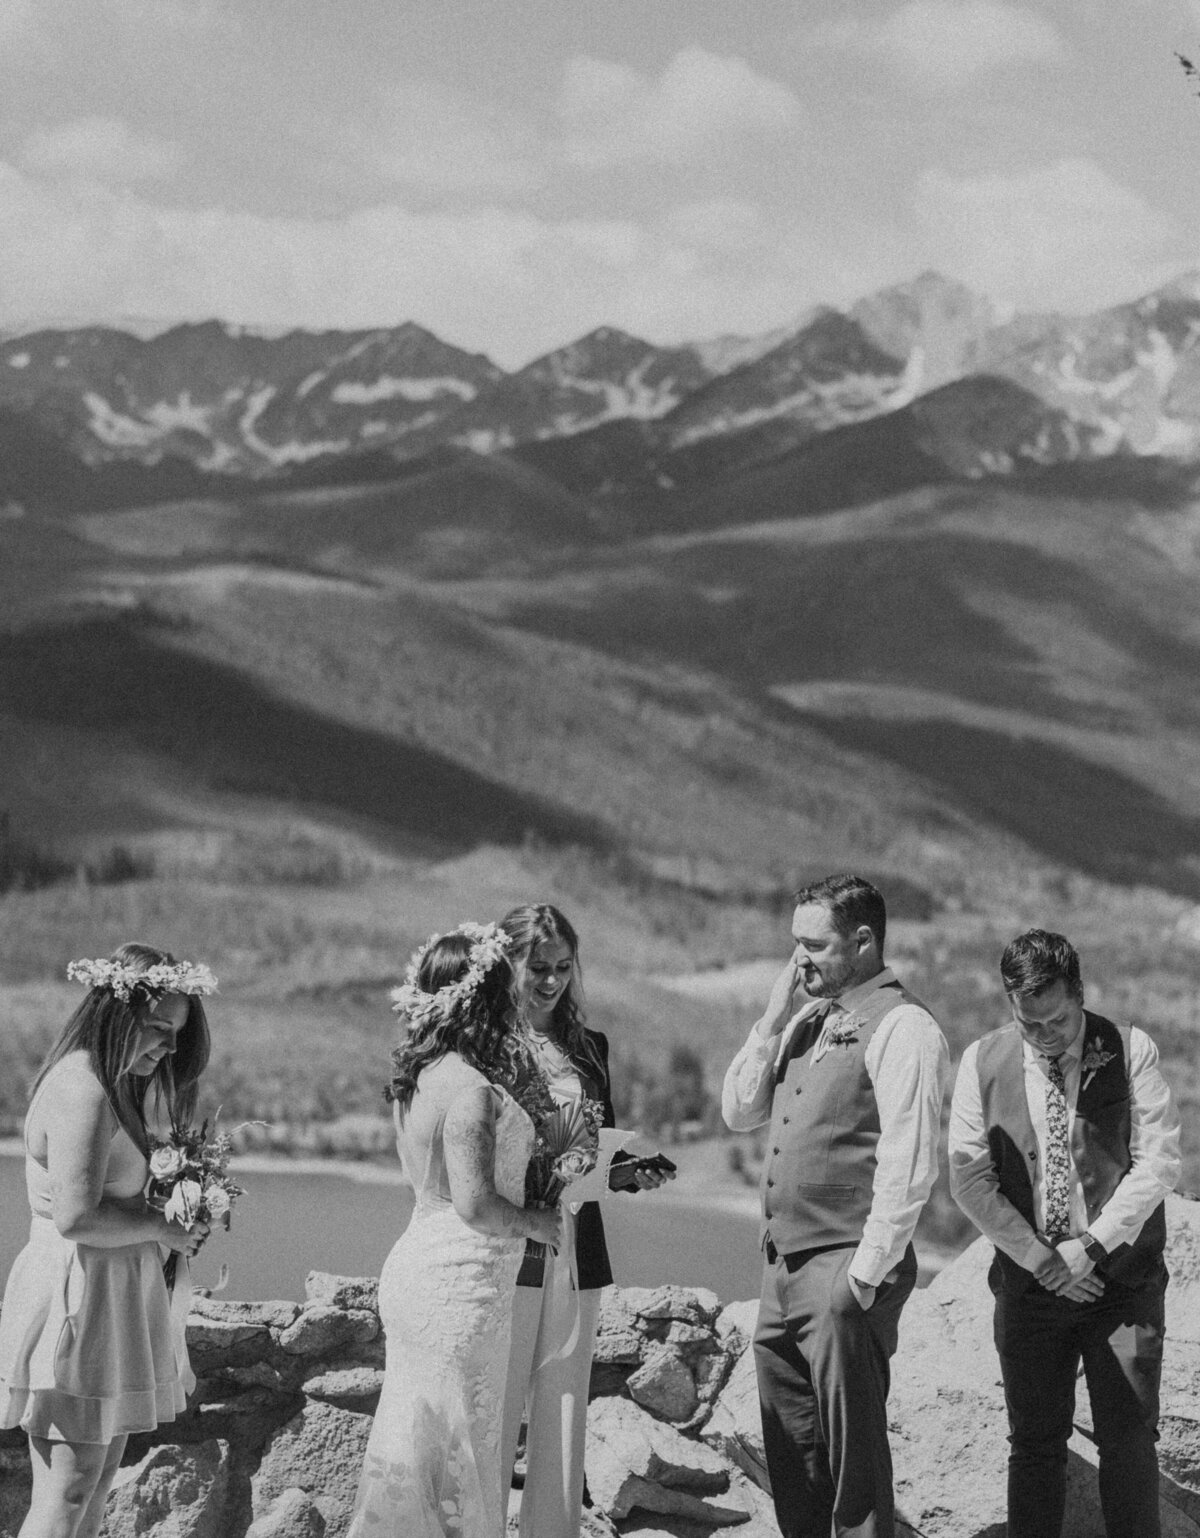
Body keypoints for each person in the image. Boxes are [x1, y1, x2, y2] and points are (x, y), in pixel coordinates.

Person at [722, 873, 949, 1538]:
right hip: (781, 1268)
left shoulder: (904, 1026)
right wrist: (770, 1017)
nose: (799, 960)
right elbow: (740, 1111)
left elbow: (910, 1162)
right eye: (794, 944)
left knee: (855, 1463)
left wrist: (863, 1276)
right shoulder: (804, 1018)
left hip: (845, 1267)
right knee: (793, 1450)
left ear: (863, 941)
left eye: (814, 946)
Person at [948, 928, 1181, 1538]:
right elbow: (969, 1180)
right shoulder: (982, 1061)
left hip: (1122, 1284)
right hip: (1030, 1288)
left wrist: (1090, 1249)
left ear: (1079, 993)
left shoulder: (1132, 1049)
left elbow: (1158, 1164)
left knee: (1129, 1440)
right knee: (1034, 1444)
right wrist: (1042, 1260)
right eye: (1030, 1025)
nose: (1045, 1037)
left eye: (1057, 1021)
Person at [346, 922, 562, 1538]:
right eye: (505, 988)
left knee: (419, 1440)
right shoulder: (469, 1090)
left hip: (421, 1261)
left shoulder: (417, 1079)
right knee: (458, 1443)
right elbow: (476, 1205)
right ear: (485, 999)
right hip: (459, 1282)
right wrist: (538, 1222)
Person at [0, 943, 216, 1538]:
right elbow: (74, 1216)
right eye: (158, 1028)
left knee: (95, 1486)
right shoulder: (84, 1089)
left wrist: (177, 1205)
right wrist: (160, 1226)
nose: (169, 1047)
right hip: (80, 1296)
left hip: (114, 1295)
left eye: (177, 1033)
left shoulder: (116, 1085)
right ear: (118, 1014)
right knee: (68, 1490)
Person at [497, 903, 674, 1538]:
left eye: (563, 968)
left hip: (576, 1245)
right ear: (506, 963)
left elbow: (598, 1154)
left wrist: (634, 1171)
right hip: (508, 1243)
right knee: (494, 1407)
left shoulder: (588, 1048)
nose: (550, 981)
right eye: (537, 967)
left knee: (565, 1407)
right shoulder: (484, 1045)